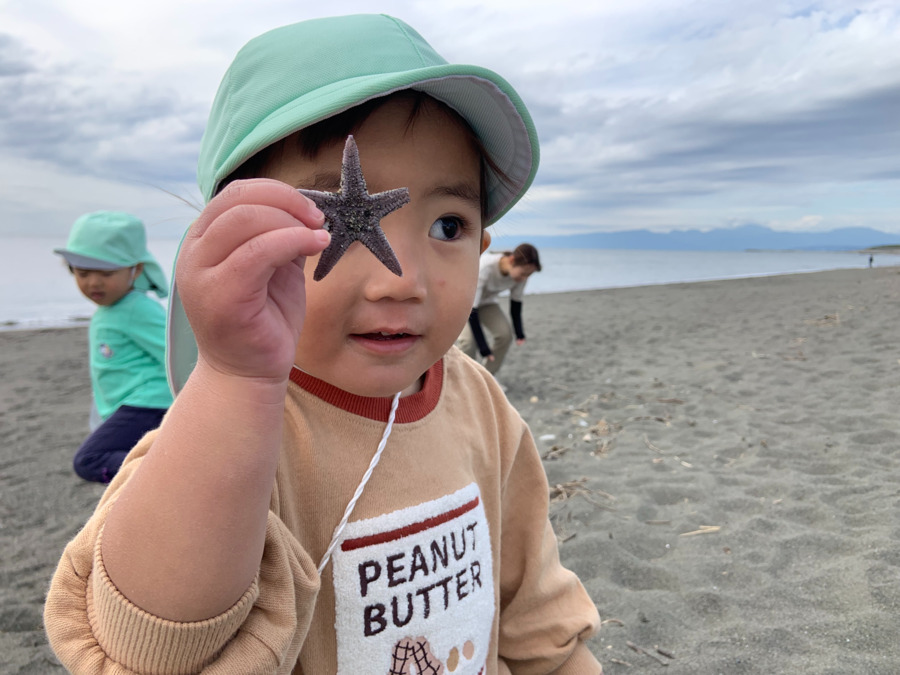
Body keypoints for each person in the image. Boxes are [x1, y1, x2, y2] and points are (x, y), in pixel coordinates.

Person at [44, 15, 601, 674]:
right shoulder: (235, 433)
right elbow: (151, 647)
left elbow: (538, 618)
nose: (402, 280)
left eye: (447, 225)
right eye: (331, 221)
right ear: (239, 241)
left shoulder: (481, 402)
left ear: (482, 245)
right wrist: (234, 380)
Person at [53, 211, 172, 483]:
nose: (93, 282)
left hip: (150, 405)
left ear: (136, 270)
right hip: (129, 405)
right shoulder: (111, 309)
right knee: (125, 455)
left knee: (90, 459)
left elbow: (177, 354)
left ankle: (170, 476)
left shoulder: (137, 308)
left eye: (106, 273)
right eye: (83, 273)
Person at [458, 243, 541, 375]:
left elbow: (516, 304)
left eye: (528, 275)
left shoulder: (521, 277)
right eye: (523, 273)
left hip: (487, 303)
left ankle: (487, 376)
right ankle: (465, 377)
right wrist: (484, 348)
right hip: (463, 303)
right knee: (468, 342)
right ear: (512, 260)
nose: (524, 278)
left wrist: (519, 332)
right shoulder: (485, 267)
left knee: (505, 335)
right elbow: (472, 311)